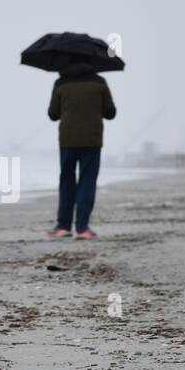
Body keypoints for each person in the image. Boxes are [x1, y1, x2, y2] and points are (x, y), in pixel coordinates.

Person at [47, 61, 116, 238]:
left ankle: (63, 226)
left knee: (67, 180)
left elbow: (53, 114)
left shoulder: (61, 83)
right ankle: (83, 227)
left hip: (67, 139)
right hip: (92, 139)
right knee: (87, 180)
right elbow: (110, 112)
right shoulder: (99, 82)